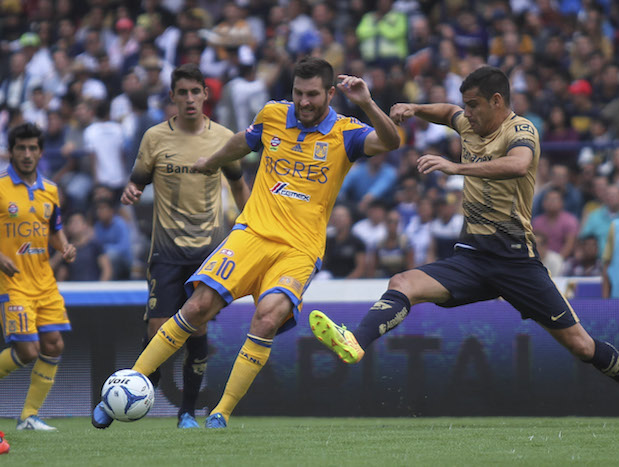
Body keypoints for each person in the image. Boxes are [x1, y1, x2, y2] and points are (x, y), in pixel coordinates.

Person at [309, 65, 619, 427]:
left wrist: (456, 168)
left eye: (473, 105)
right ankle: (355, 341)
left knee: (583, 347)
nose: (466, 113)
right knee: (402, 282)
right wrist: (416, 108)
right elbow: (447, 112)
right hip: (472, 256)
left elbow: (519, 165)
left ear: (496, 101)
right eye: (466, 106)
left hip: (516, 262)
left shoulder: (520, 130)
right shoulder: (468, 124)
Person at [92, 57, 400, 429]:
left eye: (313, 95)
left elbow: (390, 141)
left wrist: (366, 102)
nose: (304, 102)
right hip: (251, 233)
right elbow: (245, 140)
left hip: (298, 250)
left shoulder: (347, 132)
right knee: (198, 306)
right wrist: (214, 160)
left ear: (331, 93)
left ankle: (220, 412)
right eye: (298, 94)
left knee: (267, 318)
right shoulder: (273, 115)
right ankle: (124, 388)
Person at [91, 64, 251, 429]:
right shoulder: (154, 138)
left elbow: (240, 184)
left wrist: (251, 221)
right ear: (173, 97)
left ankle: (186, 413)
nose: (190, 99)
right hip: (165, 251)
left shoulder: (224, 138)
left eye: (197, 91)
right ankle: (129, 392)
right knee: (158, 331)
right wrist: (131, 191)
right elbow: (136, 182)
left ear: (205, 95)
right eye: (183, 93)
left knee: (196, 329)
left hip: (208, 253)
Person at [0, 123, 77, 430]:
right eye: (21, 148)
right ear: (12, 151)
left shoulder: (50, 190)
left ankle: (28, 417)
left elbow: (54, 229)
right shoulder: (1, 186)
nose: (27, 154)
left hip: (44, 281)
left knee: (54, 344)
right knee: (27, 350)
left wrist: (66, 246)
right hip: (13, 282)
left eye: (33, 148)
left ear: (41, 152)